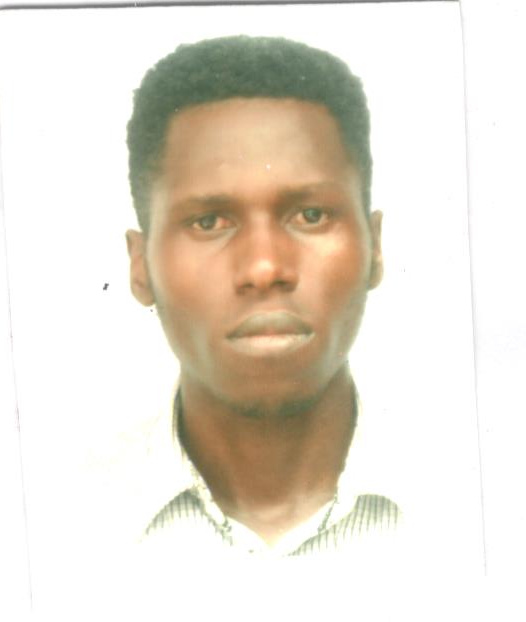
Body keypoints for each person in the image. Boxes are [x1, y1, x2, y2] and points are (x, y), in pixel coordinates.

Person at [122, 35, 400, 558]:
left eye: (311, 215)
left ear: (375, 247)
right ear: (141, 266)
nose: (264, 268)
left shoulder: (488, 496)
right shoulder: (43, 521)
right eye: (209, 222)